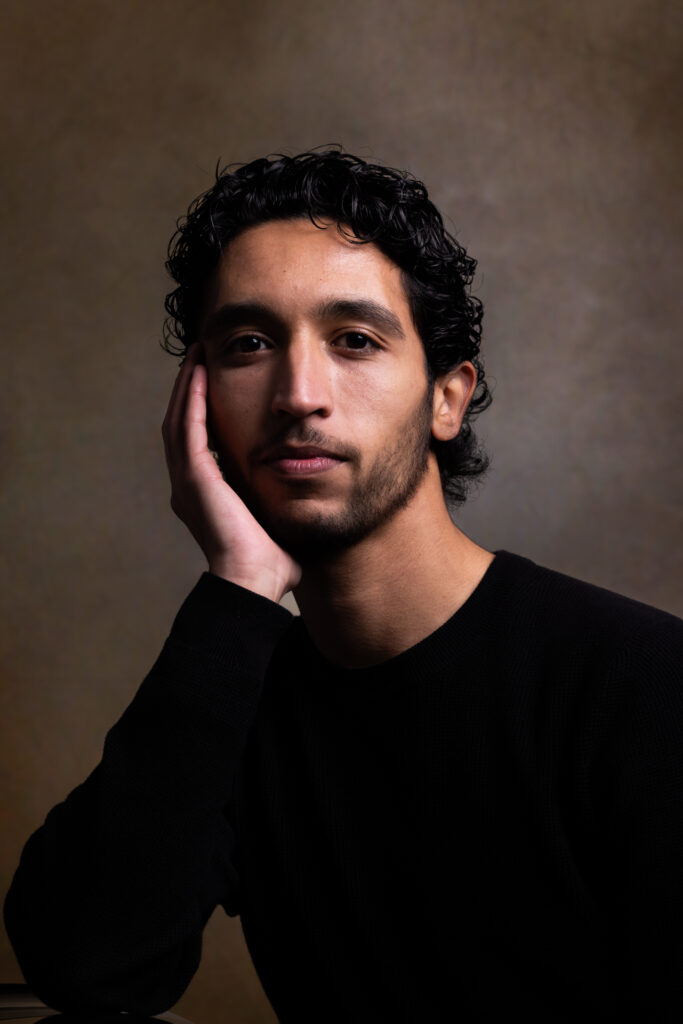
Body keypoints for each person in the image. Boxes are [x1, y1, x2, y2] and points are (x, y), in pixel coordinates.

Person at [4, 148, 683, 1024]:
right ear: (195, 406)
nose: (298, 394)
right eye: (249, 344)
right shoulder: (233, 695)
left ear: (447, 398)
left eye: (354, 341)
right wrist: (241, 584)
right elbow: (86, 966)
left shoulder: (644, 688)